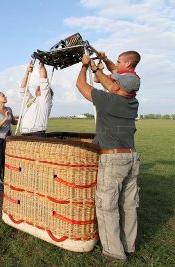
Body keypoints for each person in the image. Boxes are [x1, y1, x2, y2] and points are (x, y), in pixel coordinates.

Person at [76, 51, 141, 262]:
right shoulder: (133, 103)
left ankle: (114, 252)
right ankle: (129, 245)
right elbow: (114, 77)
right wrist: (103, 62)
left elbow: (81, 86)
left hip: (113, 159)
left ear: (119, 86)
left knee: (107, 206)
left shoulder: (108, 100)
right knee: (129, 205)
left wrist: (85, 66)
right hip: (132, 157)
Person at [18, 62, 53, 136]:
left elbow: (43, 79)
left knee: (44, 84)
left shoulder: (45, 99)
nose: (38, 86)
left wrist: (42, 65)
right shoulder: (32, 100)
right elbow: (23, 89)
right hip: (24, 134)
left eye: (40, 87)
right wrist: (27, 73)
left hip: (36, 134)